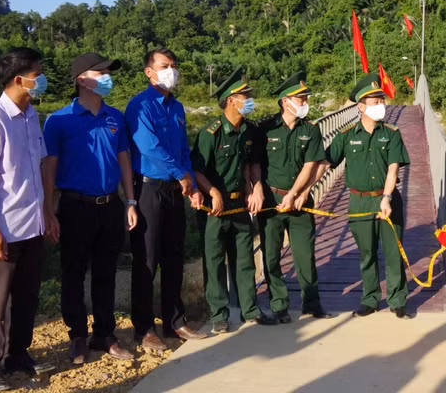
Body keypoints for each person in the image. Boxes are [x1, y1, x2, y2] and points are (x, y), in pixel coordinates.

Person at [0, 47, 58, 391]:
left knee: (26, 295)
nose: (42, 78)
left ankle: (17, 355)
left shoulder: (31, 115)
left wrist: (48, 213)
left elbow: (36, 171)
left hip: (31, 224)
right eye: (39, 72)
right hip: (3, 228)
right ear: (20, 79)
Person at [42, 53, 138, 364]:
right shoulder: (58, 121)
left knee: (106, 272)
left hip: (110, 205)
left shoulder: (115, 117)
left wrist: (131, 201)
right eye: (102, 72)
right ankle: (78, 337)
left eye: (109, 72)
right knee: (73, 273)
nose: (108, 77)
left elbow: (123, 159)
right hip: (75, 207)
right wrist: (48, 209)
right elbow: (49, 169)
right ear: (82, 79)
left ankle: (104, 334)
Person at [125, 48, 206, 351]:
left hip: (176, 189)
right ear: (149, 72)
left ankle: (175, 321)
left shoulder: (178, 108)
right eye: (164, 66)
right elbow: (149, 146)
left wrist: (192, 183)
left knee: (174, 258)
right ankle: (144, 328)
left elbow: (183, 149)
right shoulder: (140, 106)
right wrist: (180, 175)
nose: (171, 70)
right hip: (149, 190)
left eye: (173, 65)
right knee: (147, 261)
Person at [191, 68, 277, 331]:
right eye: (245, 95)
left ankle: (249, 309)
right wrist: (213, 193)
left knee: (244, 260)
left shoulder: (249, 131)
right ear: (231, 100)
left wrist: (256, 186)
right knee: (215, 261)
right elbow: (197, 171)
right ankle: (219, 315)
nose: (249, 99)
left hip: (240, 203)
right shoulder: (210, 133)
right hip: (215, 208)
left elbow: (251, 163)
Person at [323, 73, 411, 318]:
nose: (381, 106)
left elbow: (393, 167)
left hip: (387, 198)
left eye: (381, 101)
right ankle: (370, 298)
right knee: (367, 252)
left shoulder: (392, 133)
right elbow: (325, 161)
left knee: (393, 251)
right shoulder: (347, 135)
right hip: (359, 200)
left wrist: (387, 197)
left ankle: (397, 299)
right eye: (375, 103)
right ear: (360, 107)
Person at [257, 72, 333, 322]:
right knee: (271, 255)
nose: (304, 102)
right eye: (299, 99)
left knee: (304, 253)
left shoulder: (310, 130)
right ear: (284, 101)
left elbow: (312, 164)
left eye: (305, 98)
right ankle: (279, 304)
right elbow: (254, 163)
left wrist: (299, 193)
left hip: (300, 201)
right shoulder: (265, 129)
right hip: (271, 203)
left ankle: (312, 303)